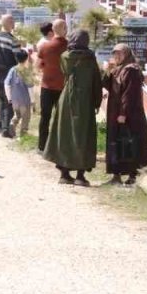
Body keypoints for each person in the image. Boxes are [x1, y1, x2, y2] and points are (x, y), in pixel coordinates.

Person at [42, 29, 101, 186]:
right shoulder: (90, 59)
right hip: (85, 101)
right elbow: (96, 81)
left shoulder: (65, 57)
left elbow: (65, 74)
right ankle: (80, 176)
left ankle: (64, 173)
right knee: (83, 136)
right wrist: (97, 102)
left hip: (67, 99)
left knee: (64, 133)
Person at [103, 43, 147, 186]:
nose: (117, 57)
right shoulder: (118, 69)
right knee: (117, 143)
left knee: (131, 144)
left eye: (120, 54)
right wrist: (107, 71)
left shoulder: (131, 70)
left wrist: (123, 113)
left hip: (129, 116)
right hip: (115, 113)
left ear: (126, 54)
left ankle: (133, 175)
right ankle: (116, 175)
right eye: (115, 54)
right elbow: (108, 86)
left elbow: (129, 94)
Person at [35, 19, 68, 152]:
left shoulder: (45, 47)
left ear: (53, 30)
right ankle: (61, 146)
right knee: (62, 118)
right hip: (64, 87)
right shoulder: (70, 46)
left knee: (45, 117)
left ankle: (42, 146)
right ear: (65, 29)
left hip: (47, 86)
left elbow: (38, 65)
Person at [4, 49, 33, 138]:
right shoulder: (26, 70)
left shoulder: (12, 70)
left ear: (16, 58)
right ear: (26, 59)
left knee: (17, 114)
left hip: (15, 99)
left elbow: (6, 84)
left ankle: (12, 123)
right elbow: (30, 87)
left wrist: (9, 98)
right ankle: (23, 135)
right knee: (26, 117)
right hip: (25, 100)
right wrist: (33, 100)